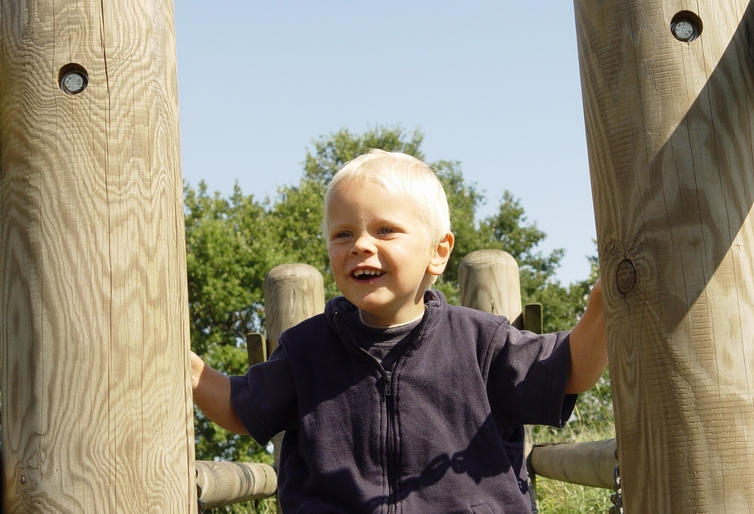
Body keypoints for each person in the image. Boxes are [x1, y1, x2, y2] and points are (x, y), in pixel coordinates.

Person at [191, 149, 608, 513]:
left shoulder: (482, 342)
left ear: (438, 251)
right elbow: (239, 408)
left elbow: (570, 370)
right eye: (343, 234)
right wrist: (189, 371)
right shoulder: (307, 350)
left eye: (385, 230)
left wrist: (603, 310)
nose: (361, 245)